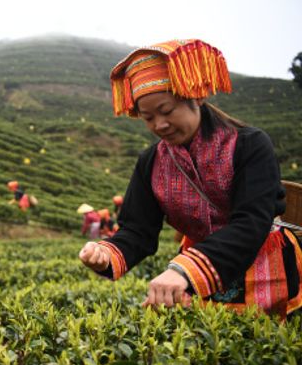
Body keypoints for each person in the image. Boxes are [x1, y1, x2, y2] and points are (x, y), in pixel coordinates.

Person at [79, 39, 302, 319]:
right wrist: (105, 254)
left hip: (264, 273)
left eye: (167, 110)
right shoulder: (151, 162)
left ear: (195, 96)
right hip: (195, 278)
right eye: (148, 117)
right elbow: (138, 230)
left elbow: (251, 222)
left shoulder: (249, 144)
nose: (159, 125)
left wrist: (182, 270)